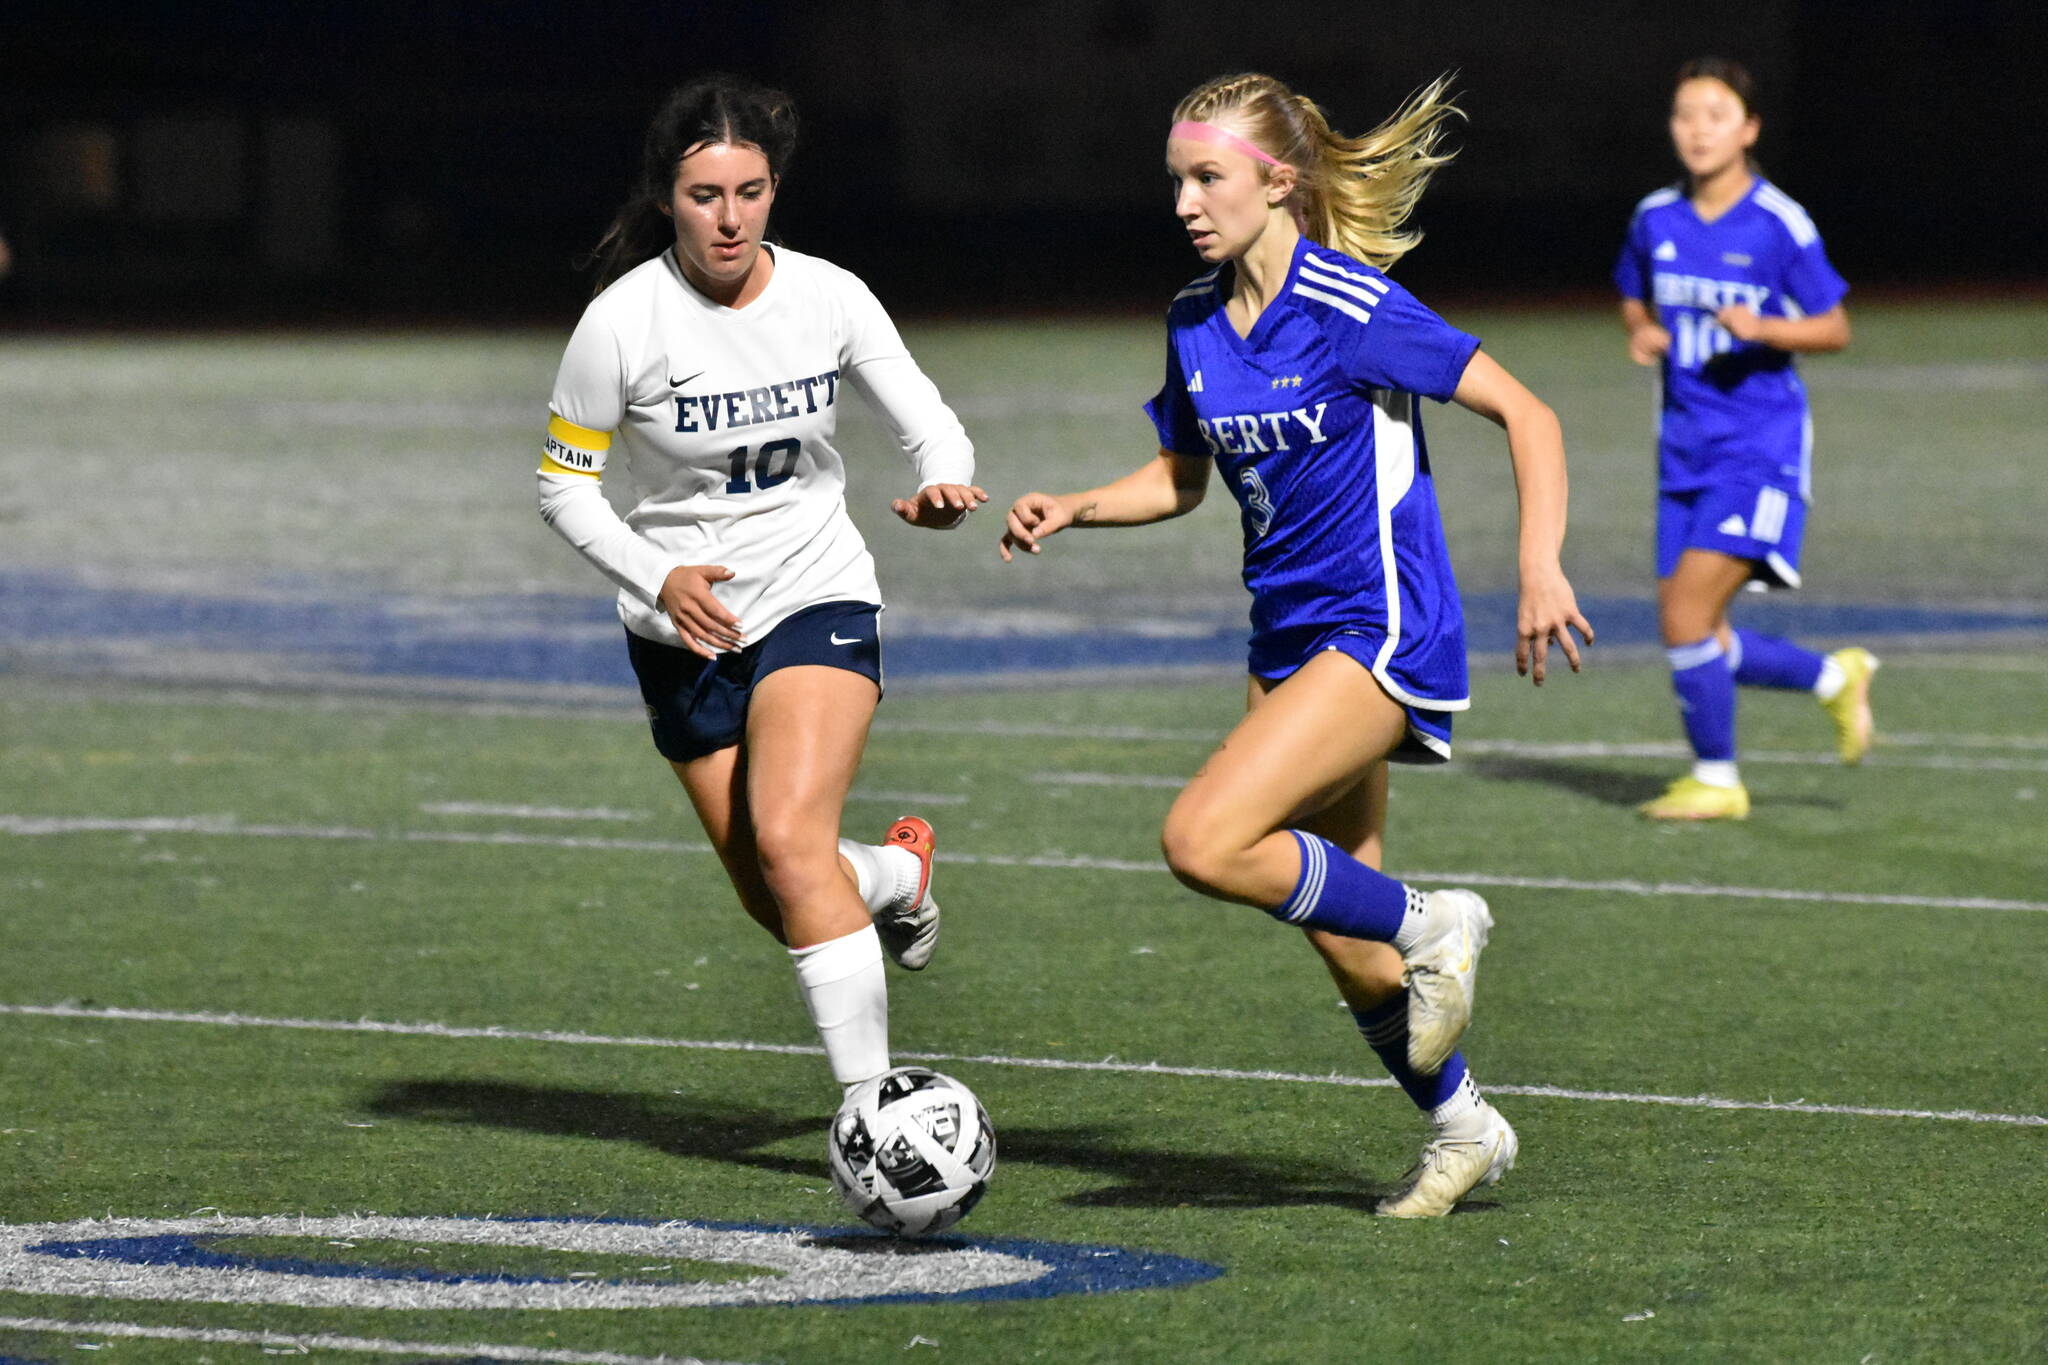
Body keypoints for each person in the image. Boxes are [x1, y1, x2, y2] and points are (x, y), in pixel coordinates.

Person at [1000, 72, 1592, 1217]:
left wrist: (1538, 563)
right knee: (1344, 937)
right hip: (1283, 646)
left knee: (1204, 840)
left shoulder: (1349, 305)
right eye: (1175, 178)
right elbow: (1179, 479)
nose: (1183, 200)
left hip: (1379, 633)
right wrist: (1077, 503)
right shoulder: (1191, 318)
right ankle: (1462, 1128)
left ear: (1277, 182)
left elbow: (1531, 413)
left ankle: (1440, 919)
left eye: (1206, 177)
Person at [537, 74, 988, 1095]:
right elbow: (563, 488)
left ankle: (872, 1109)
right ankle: (894, 874)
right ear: (667, 199)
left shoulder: (828, 293)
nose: (728, 218)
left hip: (814, 593)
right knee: (780, 891)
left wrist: (941, 478)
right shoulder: (619, 323)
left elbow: (924, 415)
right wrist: (656, 572)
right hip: (679, 632)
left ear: (773, 189)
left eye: (748, 192)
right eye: (705, 196)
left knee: (789, 842)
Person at [1615, 57, 1872, 821]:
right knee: (1692, 626)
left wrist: (1766, 327)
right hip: (1682, 451)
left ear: (1750, 128)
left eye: (1716, 114)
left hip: (1759, 449)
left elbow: (1835, 326)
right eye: (1685, 113)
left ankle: (1719, 780)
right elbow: (1633, 293)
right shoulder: (1654, 217)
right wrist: (1643, 332)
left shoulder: (1778, 223)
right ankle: (1833, 679)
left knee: (1688, 618)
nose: (1697, 129)